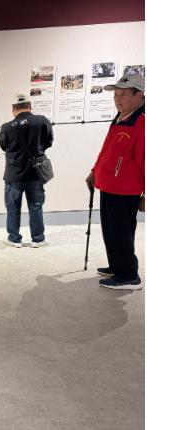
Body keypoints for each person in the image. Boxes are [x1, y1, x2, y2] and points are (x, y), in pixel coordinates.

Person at [86, 74, 145, 290]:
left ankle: (128, 276)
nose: (117, 99)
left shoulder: (142, 122)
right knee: (111, 232)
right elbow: (108, 151)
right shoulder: (121, 118)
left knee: (121, 233)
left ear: (139, 95)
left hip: (125, 190)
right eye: (116, 94)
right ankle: (117, 266)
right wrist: (95, 171)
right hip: (109, 186)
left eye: (123, 94)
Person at [0, 94, 54, 248]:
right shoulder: (42, 121)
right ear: (30, 107)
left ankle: (14, 239)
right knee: (36, 206)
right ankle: (38, 239)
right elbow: (49, 141)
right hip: (35, 173)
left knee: (12, 207)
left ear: (13, 109)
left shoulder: (6, 127)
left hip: (13, 174)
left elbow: (3, 146)